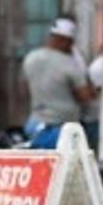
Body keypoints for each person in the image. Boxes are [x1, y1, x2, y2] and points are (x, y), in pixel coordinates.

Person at [22, 15, 97, 148]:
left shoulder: (31, 58)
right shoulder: (69, 63)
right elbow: (85, 97)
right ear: (64, 40)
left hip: (35, 125)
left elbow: (25, 90)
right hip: (60, 131)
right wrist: (84, 71)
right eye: (71, 42)